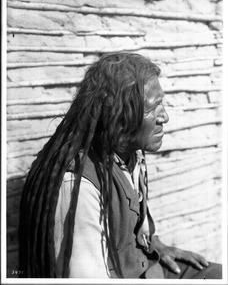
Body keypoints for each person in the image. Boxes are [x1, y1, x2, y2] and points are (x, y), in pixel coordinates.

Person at [18, 52, 222, 279]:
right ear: (120, 116)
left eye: (161, 103)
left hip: (145, 266)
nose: (164, 117)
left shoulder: (132, 154)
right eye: (153, 108)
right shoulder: (78, 187)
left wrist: (153, 243)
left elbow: (132, 227)